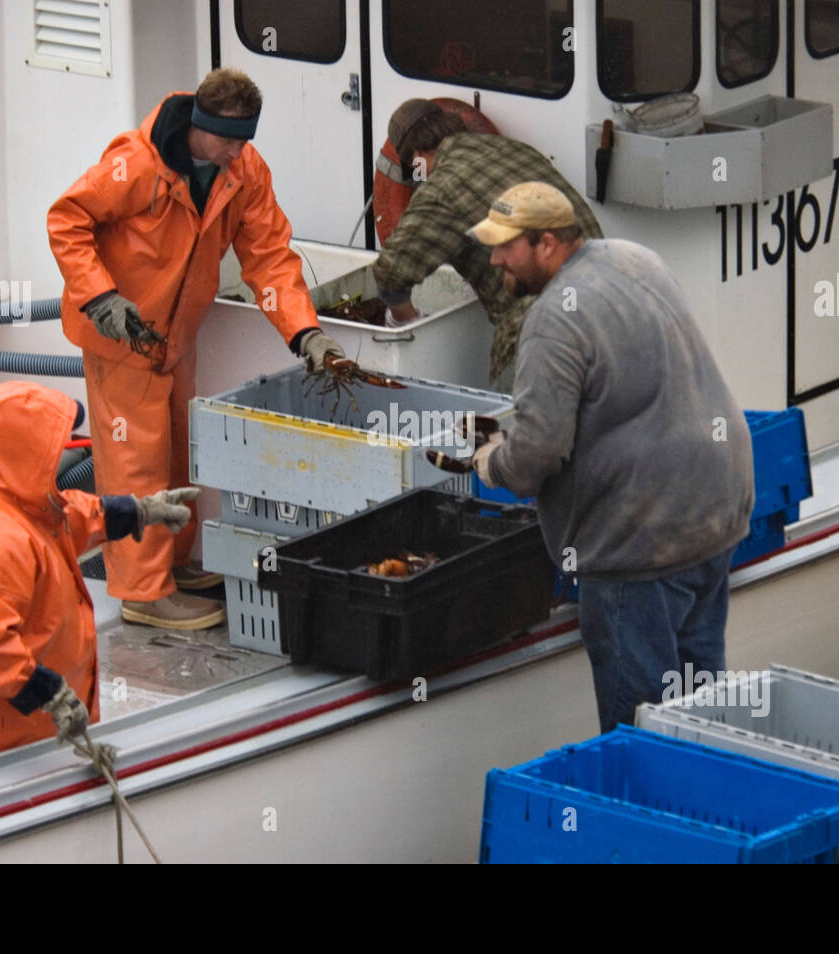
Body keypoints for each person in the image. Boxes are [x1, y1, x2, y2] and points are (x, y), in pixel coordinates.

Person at [48, 69, 345, 630]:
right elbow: (67, 219)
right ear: (200, 129)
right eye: (228, 141)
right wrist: (103, 300)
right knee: (136, 460)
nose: (237, 153)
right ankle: (141, 591)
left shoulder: (244, 170)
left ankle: (174, 564)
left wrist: (306, 334)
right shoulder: (133, 164)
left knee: (180, 452)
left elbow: (269, 257)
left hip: (175, 337)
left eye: (245, 141)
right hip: (122, 336)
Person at [468, 182, 755, 733]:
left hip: (641, 543)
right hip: (716, 506)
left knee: (640, 730)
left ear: (547, 243)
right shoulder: (635, 257)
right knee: (702, 712)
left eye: (506, 246)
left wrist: (492, 462)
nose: (495, 258)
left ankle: (651, 812)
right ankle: (706, 806)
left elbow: (537, 454)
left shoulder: (553, 320)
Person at [0, 381, 199, 773]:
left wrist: (138, 511)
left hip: (37, 733)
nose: (65, 445)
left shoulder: (15, 501)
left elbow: (69, 516)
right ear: (27, 452)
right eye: (54, 440)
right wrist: (47, 693)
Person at [372, 99, 603, 389]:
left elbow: (390, 272)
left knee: (518, 423)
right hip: (606, 295)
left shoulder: (442, 188)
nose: (418, 176)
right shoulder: (516, 150)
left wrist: (403, 318)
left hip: (543, 326)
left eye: (414, 169)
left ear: (417, 156)